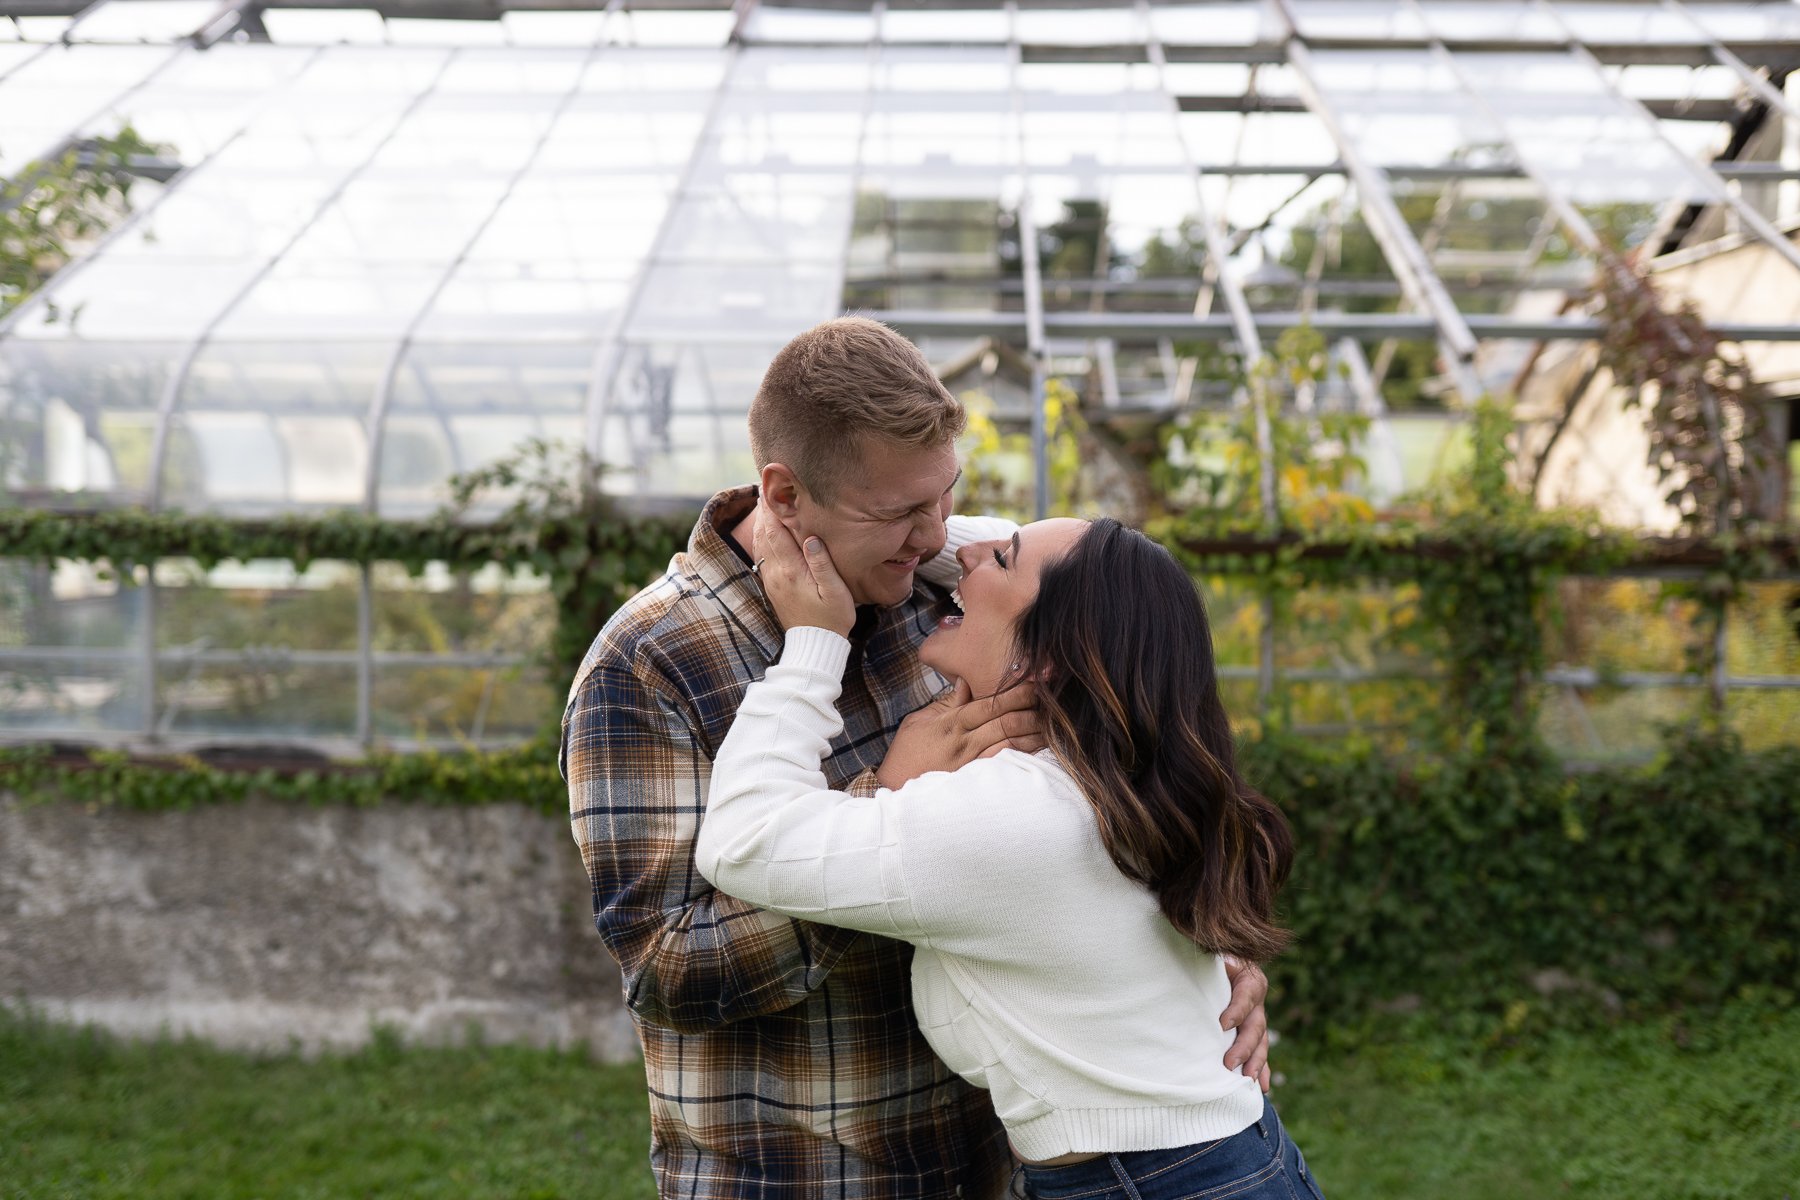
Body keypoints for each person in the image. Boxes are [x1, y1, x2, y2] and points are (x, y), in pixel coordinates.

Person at [561, 316, 1272, 1199]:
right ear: (783, 498)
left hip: (998, 1163)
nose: (938, 535)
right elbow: (669, 968)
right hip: (808, 1176)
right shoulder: (651, 664)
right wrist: (885, 799)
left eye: (947, 497)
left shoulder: (938, 593)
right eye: (902, 512)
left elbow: (1111, 664)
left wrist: (1188, 956)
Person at [695, 514, 1323, 1200]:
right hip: (1212, 1163)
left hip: (1149, 1182)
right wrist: (854, 513)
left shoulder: (1017, 816)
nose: (961, 552)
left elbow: (744, 841)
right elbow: (1051, 562)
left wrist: (814, 644)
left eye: (1002, 558)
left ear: (1048, 655)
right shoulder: (1108, 775)